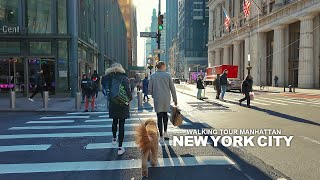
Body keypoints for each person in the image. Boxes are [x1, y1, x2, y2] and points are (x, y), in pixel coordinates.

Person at [106, 63, 132, 156]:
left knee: (114, 121)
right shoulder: (124, 78)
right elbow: (128, 90)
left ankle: (114, 138)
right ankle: (120, 148)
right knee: (122, 124)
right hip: (122, 103)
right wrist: (130, 98)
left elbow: (106, 90)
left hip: (113, 102)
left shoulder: (108, 77)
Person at [149, 61, 177, 143]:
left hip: (157, 99)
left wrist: (152, 94)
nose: (165, 67)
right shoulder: (167, 75)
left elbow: (150, 89)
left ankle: (160, 136)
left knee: (159, 116)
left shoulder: (153, 76)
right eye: (165, 66)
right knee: (165, 115)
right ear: (162, 66)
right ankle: (165, 133)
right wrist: (175, 99)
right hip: (166, 99)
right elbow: (172, 88)